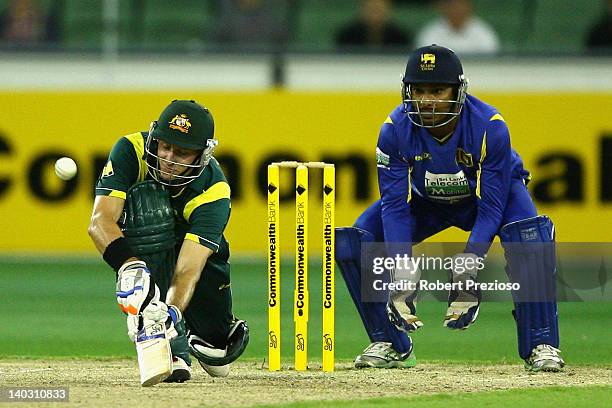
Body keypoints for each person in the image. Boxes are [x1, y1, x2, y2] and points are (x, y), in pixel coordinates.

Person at [335, 44, 565, 372]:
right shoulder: (394, 129)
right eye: (419, 90)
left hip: (485, 203)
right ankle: (391, 343)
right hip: (428, 202)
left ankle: (542, 344)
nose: (426, 100)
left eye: (437, 91)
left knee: (529, 238)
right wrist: (401, 266)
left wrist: (469, 265)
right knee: (356, 241)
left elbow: (494, 205)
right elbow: (395, 205)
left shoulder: (490, 125)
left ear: (457, 91)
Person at [88, 100, 249, 384]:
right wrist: (130, 267)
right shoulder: (131, 149)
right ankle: (171, 350)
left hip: (196, 263)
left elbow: (189, 269)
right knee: (145, 208)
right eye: (165, 146)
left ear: (203, 155)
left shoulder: (214, 191)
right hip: (148, 248)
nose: (169, 159)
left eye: (182, 152)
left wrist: (168, 314)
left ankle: (194, 332)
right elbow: (100, 221)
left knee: (217, 350)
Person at [414, 0, 499, 55]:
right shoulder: (431, 32)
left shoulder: (483, 31)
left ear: (469, 7)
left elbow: (491, 58)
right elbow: (424, 59)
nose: (457, 9)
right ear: (444, 8)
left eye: (461, 5)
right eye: (453, 5)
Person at [336, 0, 411, 49]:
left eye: (379, 10)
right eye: (371, 10)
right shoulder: (347, 36)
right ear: (362, 10)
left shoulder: (400, 37)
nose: (375, 15)